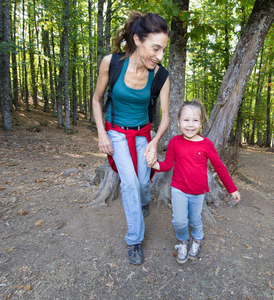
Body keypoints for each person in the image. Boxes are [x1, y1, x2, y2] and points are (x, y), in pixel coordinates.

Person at [92, 11, 170, 265]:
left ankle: (144, 201)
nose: (159, 56)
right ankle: (135, 240)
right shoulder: (111, 63)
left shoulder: (160, 75)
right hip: (115, 132)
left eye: (163, 50)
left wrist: (154, 142)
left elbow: (166, 117)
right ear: (137, 40)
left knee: (143, 181)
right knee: (128, 182)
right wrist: (102, 133)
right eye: (155, 48)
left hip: (142, 132)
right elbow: (96, 99)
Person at [148, 100, 240, 264]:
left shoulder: (206, 145)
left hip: (198, 192)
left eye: (195, 120)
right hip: (178, 189)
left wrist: (232, 189)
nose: (190, 125)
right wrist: (154, 165)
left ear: (201, 123)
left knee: (195, 220)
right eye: (186, 120)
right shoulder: (175, 142)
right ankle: (183, 241)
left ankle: (197, 240)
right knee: (179, 221)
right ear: (178, 122)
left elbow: (219, 167)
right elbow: (168, 165)